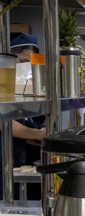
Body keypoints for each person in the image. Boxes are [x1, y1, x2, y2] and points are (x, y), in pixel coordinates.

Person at [0, 33, 45, 199]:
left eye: (31, 65)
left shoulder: (27, 87)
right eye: (23, 63)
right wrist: (38, 134)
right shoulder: (3, 82)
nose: (27, 70)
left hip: (20, 158)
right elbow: (4, 123)